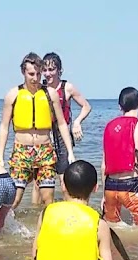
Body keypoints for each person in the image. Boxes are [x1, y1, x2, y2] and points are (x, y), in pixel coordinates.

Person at [30, 161, 118, 260]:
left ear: (63, 185)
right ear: (95, 188)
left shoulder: (46, 214)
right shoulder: (99, 224)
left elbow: (35, 254)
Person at [0, 52, 77, 210]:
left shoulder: (50, 94)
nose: (35, 78)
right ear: (23, 72)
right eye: (31, 74)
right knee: (15, 198)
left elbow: (62, 124)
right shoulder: (13, 95)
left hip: (45, 150)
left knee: (48, 199)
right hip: (22, 149)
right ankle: (3, 229)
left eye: (38, 73)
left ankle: (44, 229)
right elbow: (4, 127)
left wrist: (70, 152)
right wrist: (0, 156)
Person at [101, 87, 138, 226]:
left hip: (110, 187)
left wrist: (104, 194)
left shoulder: (109, 126)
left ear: (120, 106)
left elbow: (104, 165)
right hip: (131, 186)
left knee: (113, 228)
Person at [41, 53, 92, 194]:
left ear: (59, 70)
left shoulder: (67, 88)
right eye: (44, 70)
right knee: (40, 182)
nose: (48, 74)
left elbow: (86, 106)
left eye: (51, 69)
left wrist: (77, 122)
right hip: (45, 136)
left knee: (64, 179)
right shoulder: (40, 89)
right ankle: (37, 213)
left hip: (62, 136)